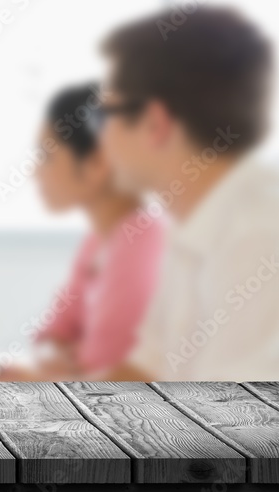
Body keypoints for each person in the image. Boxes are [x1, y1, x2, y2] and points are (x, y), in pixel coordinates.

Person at [96, 6, 278, 381]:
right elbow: (146, 368)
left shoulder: (258, 235)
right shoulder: (195, 222)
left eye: (106, 113)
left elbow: (225, 425)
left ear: (154, 123)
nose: (102, 137)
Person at [0, 83, 165, 382]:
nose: (35, 172)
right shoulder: (99, 240)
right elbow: (54, 332)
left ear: (97, 164)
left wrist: (31, 381)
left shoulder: (141, 247)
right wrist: (50, 360)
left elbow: (115, 389)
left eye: (47, 155)